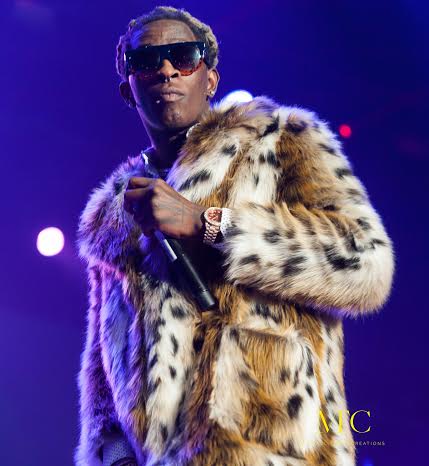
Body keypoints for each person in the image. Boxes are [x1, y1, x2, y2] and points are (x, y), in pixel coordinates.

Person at [75, 6, 395, 466]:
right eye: (146, 62)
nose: (166, 70)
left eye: (183, 56)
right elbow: (103, 368)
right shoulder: (115, 211)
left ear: (210, 79)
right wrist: (117, 458)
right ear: (130, 90)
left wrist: (208, 224)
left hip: (276, 450)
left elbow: (365, 263)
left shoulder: (278, 140)